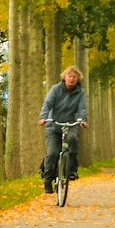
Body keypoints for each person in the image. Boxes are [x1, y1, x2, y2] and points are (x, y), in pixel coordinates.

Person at [39, 65, 88, 193]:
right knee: (53, 153)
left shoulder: (80, 92)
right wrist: (43, 117)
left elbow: (82, 108)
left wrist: (83, 120)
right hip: (53, 125)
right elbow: (47, 103)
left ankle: (72, 170)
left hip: (69, 124)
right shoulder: (55, 89)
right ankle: (47, 179)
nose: (72, 79)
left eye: (74, 77)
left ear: (78, 79)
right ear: (64, 77)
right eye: (69, 76)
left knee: (72, 140)